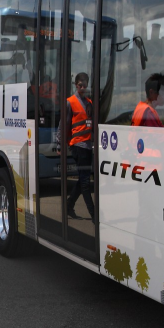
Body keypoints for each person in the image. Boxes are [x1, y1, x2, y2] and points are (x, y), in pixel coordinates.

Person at [56, 73, 95, 221]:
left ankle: (69, 204)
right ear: (75, 85)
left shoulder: (89, 102)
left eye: (85, 85)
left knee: (83, 178)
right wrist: (60, 143)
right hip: (77, 146)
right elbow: (62, 125)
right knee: (85, 182)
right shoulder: (70, 102)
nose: (83, 88)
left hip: (88, 146)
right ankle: (94, 215)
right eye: (80, 85)